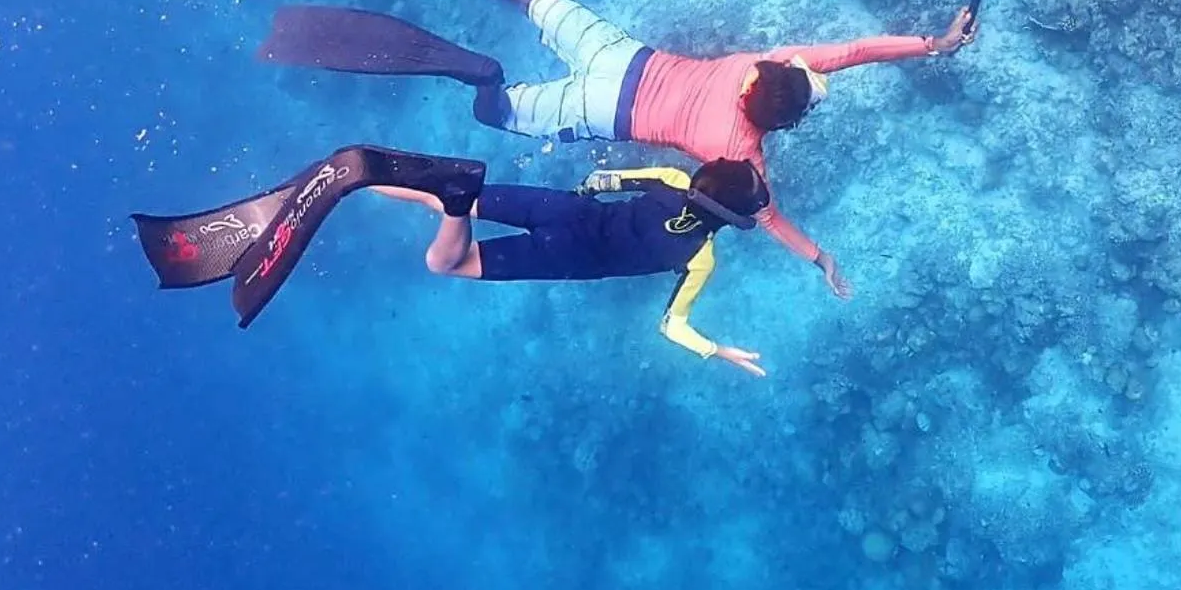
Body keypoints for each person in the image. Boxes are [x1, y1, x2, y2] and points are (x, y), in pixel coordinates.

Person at [217, 0, 974, 298]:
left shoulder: (768, 60)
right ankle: (474, 72)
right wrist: (820, 260)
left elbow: (853, 51)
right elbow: (769, 220)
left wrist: (932, 42)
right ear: (780, 124)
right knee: (498, 106)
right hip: (600, 110)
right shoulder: (740, 157)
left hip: (621, 53)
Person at [133, 141, 774, 375]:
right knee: (447, 265)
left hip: (561, 211)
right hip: (565, 255)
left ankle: (367, 176)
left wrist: (585, 190)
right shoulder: (699, 263)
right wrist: (718, 351)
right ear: (731, 223)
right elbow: (672, 326)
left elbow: (604, 182)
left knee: (420, 188)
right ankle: (454, 207)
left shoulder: (668, 179)